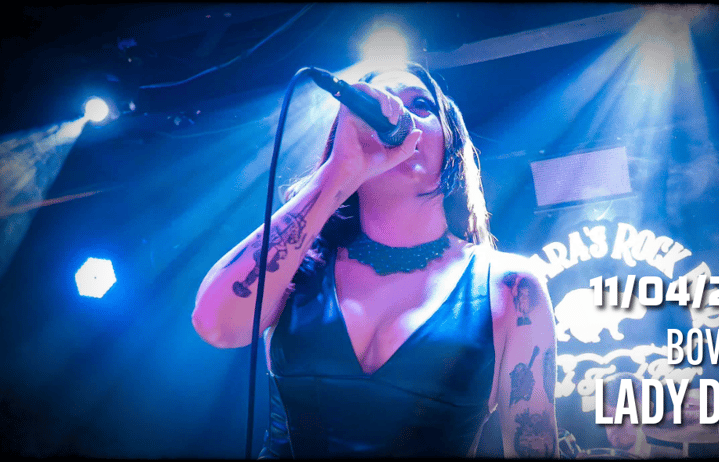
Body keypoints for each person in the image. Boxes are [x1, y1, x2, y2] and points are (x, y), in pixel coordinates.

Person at [192, 62, 558, 458]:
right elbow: (215, 325)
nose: (399, 118)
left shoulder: (511, 287)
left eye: (420, 105)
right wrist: (338, 172)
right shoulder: (300, 265)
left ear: (451, 141)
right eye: (380, 108)